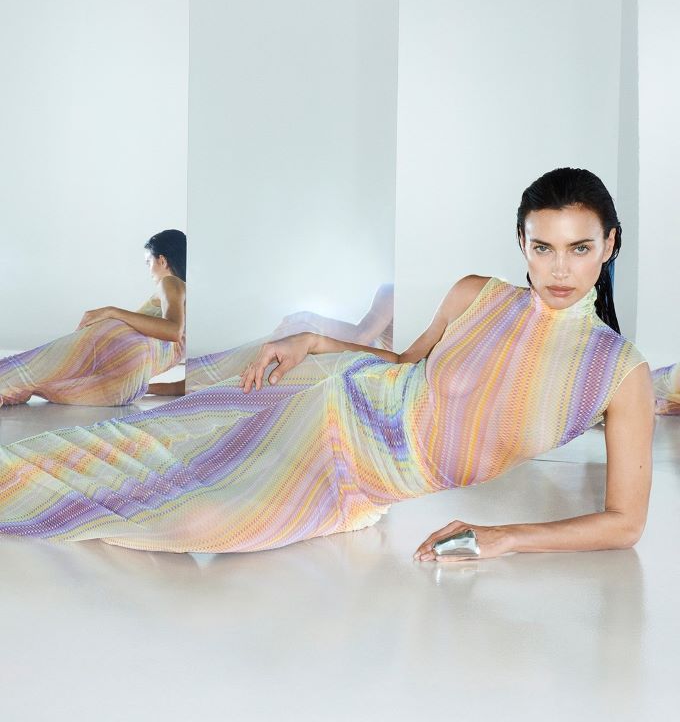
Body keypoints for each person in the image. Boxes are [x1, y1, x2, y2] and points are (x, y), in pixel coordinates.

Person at [0, 170, 654, 560]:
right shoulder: (476, 294)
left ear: (610, 245)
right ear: (522, 243)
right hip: (343, 410)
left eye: (579, 248)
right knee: (156, 471)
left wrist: (502, 538)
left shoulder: (617, 371)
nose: (559, 268)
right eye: (542, 248)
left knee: (198, 523)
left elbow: (625, 523)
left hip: (365, 487)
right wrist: (313, 342)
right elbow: (404, 364)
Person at [0, 229, 186, 408]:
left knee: (28, 369)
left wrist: (112, 312)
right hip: (128, 387)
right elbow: (184, 387)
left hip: (118, 351)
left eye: (148, 262)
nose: (149, 270)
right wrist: (146, 387)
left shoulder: (170, 282)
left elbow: (172, 330)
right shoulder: (194, 306)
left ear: (162, 260)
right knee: (41, 383)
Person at [187, 283, 394, 393]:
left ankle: (203, 384)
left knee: (282, 352)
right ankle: (201, 382)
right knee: (279, 348)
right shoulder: (393, 290)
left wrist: (310, 322)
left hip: (369, 372)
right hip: (365, 366)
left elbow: (361, 338)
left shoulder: (393, 290)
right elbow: (363, 338)